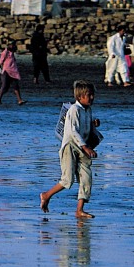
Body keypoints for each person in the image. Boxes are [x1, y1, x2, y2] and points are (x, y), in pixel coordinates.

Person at [40, 80, 100, 219]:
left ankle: (79, 210)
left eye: (92, 95)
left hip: (83, 145)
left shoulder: (87, 110)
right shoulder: (74, 110)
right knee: (68, 180)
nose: (92, 98)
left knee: (86, 178)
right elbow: (73, 131)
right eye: (89, 95)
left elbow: (84, 127)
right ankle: (46, 195)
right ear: (80, 97)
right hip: (70, 146)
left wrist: (93, 124)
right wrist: (85, 147)